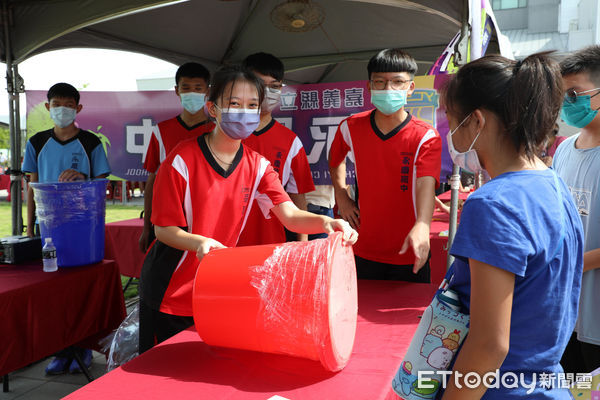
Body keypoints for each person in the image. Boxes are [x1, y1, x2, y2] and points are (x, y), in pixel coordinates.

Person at [138, 65, 358, 354]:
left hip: (215, 288)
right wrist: (200, 242)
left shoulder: (258, 165)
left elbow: (290, 216)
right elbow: (164, 230)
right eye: (234, 104)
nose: (244, 112)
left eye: (252, 105)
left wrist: (326, 223)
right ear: (212, 109)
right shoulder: (181, 159)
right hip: (170, 288)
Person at [438, 53, 583, 399]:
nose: (449, 134)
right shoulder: (552, 182)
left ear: (476, 121)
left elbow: (489, 346)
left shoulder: (493, 204)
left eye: (451, 121)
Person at [328, 49, 442, 282]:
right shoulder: (351, 126)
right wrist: (342, 196)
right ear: (369, 87)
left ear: (410, 88)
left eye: (398, 82)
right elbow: (335, 161)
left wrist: (422, 224)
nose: (388, 89)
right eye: (380, 82)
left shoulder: (425, 136)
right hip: (362, 244)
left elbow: (425, 184)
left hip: (409, 246)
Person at [22, 82, 111, 375]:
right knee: (52, 292)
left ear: (78, 108)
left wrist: (83, 176)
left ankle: (83, 349)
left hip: (83, 229)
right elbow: (31, 186)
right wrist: (30, 225)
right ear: (48, 107)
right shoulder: (36, 143)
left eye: (69, 105)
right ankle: (60, 350)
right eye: (57, 104)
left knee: (80, 290)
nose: (62, 110)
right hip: (48, 228)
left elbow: (101, 184)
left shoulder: (90, 142)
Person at [236, 52, 315, 245]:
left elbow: (298, 199)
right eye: (260, 84)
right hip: (223, 244)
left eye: (275, 86)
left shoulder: (291, 142)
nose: (267, 91)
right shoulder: (223, 134)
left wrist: (302, 244)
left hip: (272, 243)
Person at [554, 45, 600, 374]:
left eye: (576, 93)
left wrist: (571, 264)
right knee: (570, 389)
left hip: (596, 318)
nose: (569, 103)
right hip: (563, 316)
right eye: (564, 94)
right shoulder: (563, 150)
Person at [139, 62, 214, 252]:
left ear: (208, 91)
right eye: (186, 88)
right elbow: (152, 180)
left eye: (198, 88)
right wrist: (147, 226)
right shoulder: (161, 131)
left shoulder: (218, 131)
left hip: (207, 220)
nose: (192, 93)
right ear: (176, 90)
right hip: (169, 223)